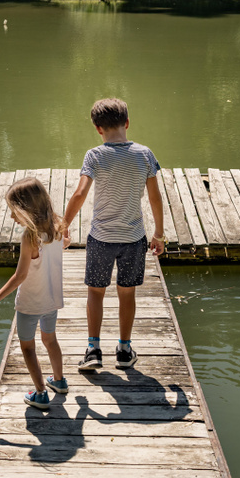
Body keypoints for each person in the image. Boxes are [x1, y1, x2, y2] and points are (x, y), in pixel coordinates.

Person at [62, 98, 164, 371]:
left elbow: (80, 193)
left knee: (95, 293)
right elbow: (155, 198)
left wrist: (64, 224)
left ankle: (93, 349)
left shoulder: (94, 155)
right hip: (133, 238)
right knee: (126, 294)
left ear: (98, 129)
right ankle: (124, 349)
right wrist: (159, 234)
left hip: (101, 238)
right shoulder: (145, 154)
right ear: (127, 123)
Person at [0, 177, 69, 410]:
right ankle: (59, 381)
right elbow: (65, 243)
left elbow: (20, 276)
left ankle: (40, 393)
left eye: (14, 211)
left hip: (30, 303)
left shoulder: (29, 237)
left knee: (28, 347)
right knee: (50, 340)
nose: (12, 217)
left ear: (27, 210)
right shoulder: (56, 228)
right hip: (51, 300)